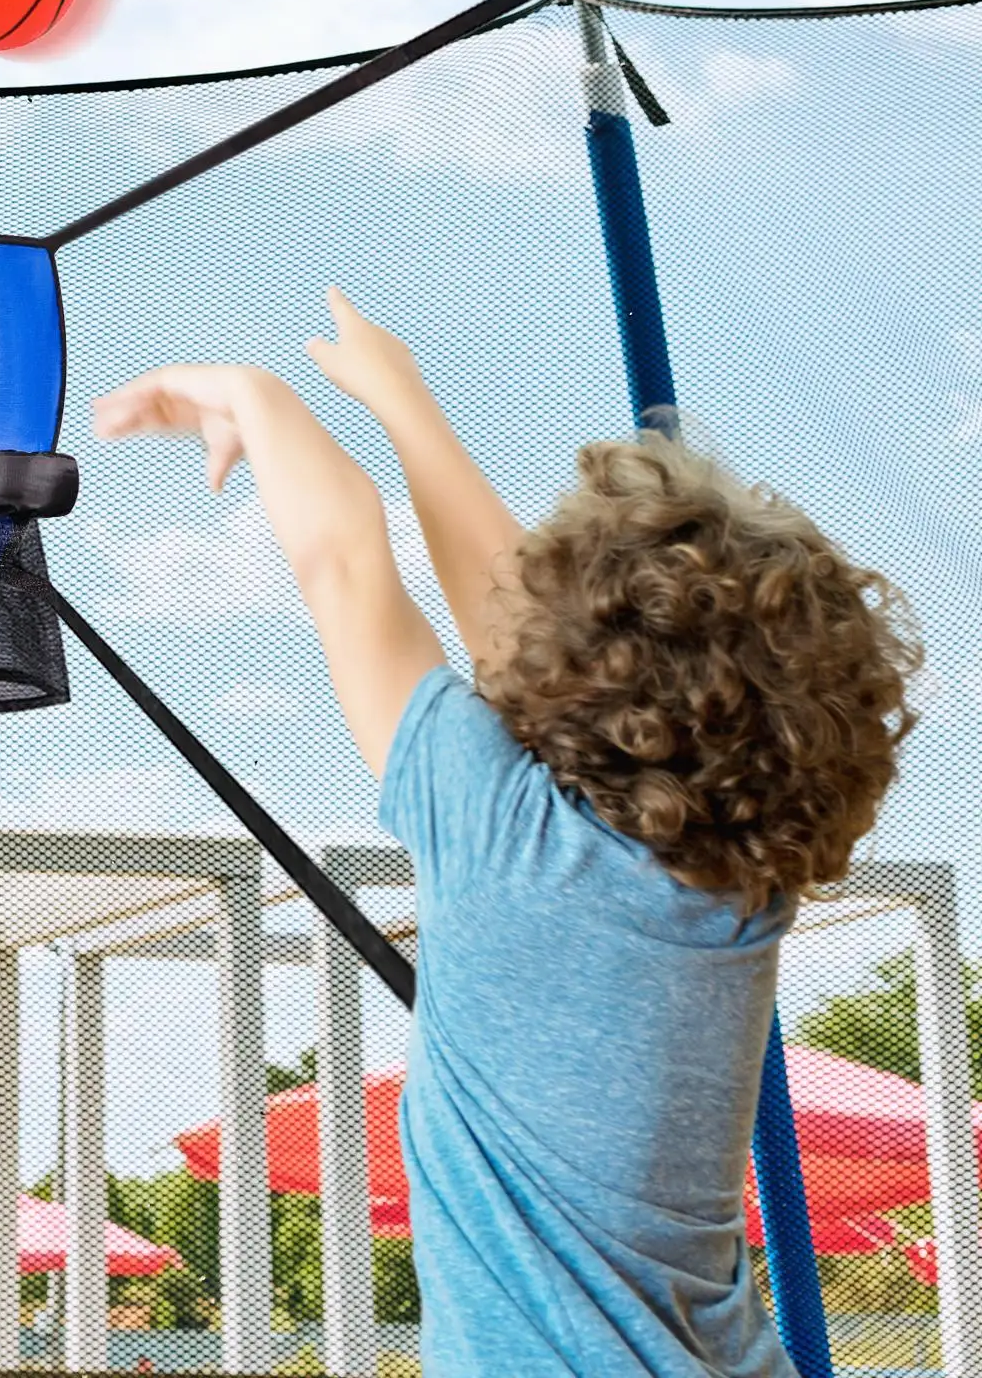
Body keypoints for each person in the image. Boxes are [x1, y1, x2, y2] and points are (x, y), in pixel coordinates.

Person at [92, 290, 919, 1378]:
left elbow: (347, 565)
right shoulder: (739, 889)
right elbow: (501, 616)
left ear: (580, 671)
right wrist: (398, 402)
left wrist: (263, 399)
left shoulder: (503, 833)